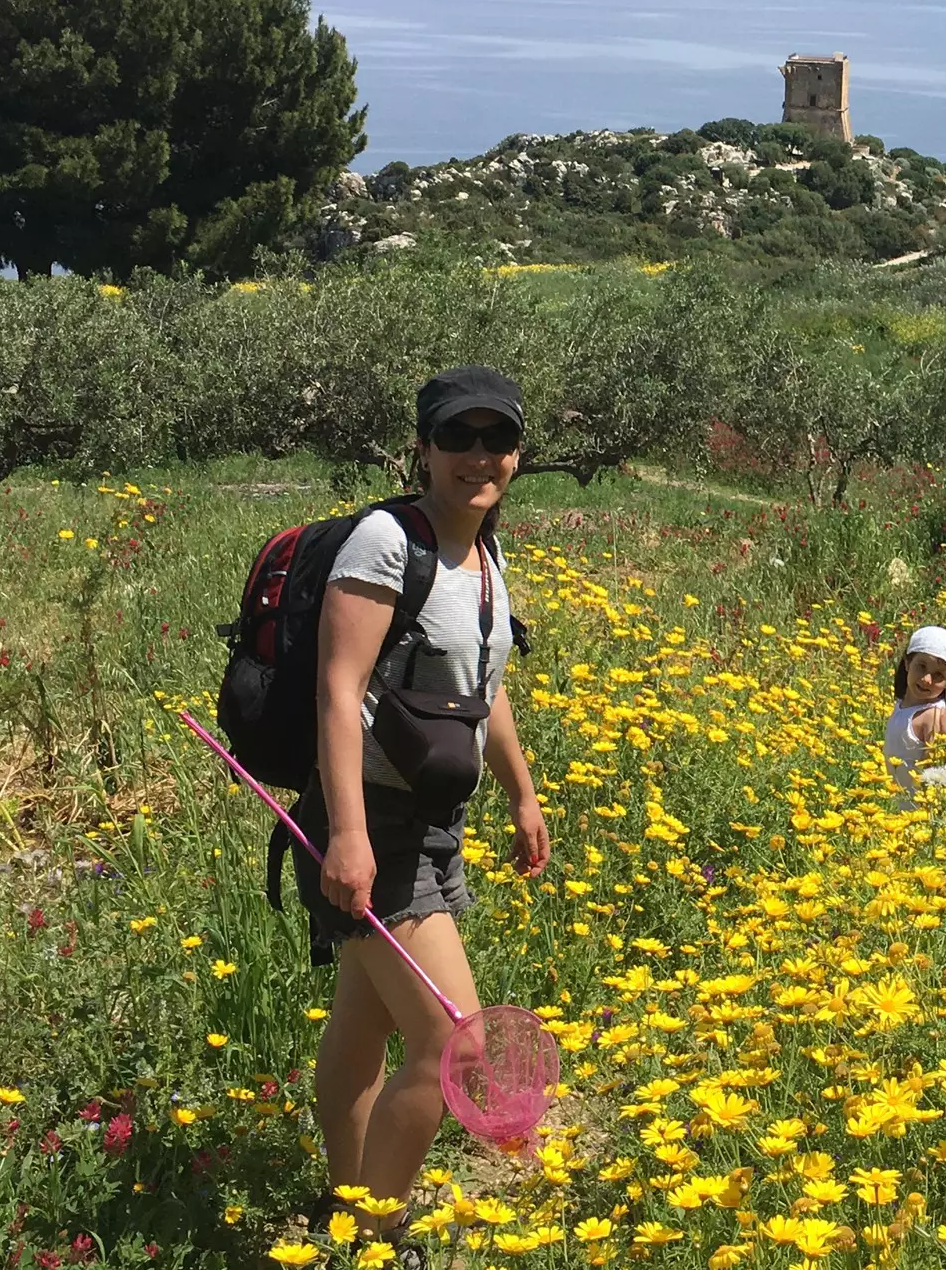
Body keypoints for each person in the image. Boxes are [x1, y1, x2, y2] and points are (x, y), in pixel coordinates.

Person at [297, 367, 550, 1253]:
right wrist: (349, 837)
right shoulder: (385, 542)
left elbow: (487, 690)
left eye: (496, 439)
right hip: (375, 824)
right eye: (457, 437)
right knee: (457, 1048)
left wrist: (521, 792)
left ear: (517, 455)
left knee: (363, 1016)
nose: (477, 456)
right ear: (424, 448)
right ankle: (376, 1229)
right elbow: (338, 692)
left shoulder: (486, 558)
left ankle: (340, 1193)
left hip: (437, 826)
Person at [884, 625, 946, 806]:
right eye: (921, 667)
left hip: (925, 809)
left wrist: (945, 736)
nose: (927, 679)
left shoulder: (933, 716)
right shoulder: (902, 706)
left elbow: (933, 772)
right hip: (904, 804)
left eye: (939, 675)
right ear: (907, 663)